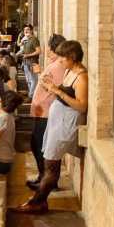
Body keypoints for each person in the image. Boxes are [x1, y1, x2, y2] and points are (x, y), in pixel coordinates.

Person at [15, 40, 88, 214]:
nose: (60, 62)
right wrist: (50, 87)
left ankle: (38, 202)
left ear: (72, 58)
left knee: (51, 163)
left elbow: (81, 106)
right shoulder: (70, 71)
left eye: (63, 59)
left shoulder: (82, 77)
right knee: (49, 160)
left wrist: (58, 91)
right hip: (56, 122)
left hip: (65, 123)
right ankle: (39, 201)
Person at [27, 34, 66, 188]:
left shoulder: (58, 66)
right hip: (42, 112)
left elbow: (54, 87)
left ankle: (47, 181)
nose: (47, 51)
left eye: (50, 48)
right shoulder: (55, 64)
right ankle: (43, 176)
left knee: (42, 147)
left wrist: (38, 72)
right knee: (36, 144)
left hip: (47, 113)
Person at [19, 25, 41, 96]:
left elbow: (38, 51)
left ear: (31, 31)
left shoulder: (34, 39)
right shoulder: (25, 40)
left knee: (34, 79)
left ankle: (31, 95)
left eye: (27, 29)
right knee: (28, 80)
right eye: (24, 30)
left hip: (32, 62)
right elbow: (19, 45)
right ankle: (32, 94)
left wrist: (28, 55)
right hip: (25, 62)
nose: (26, 31)